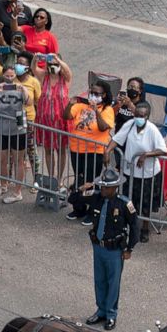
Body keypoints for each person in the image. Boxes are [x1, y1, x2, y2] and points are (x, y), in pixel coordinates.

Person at [81, 168, 139, 330]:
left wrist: (130, 248)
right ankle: (101, 311)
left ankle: (111, 314)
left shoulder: (124, 204)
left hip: (115, 250)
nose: (103, 190)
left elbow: (135, 226)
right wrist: (83, 189)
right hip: (98, 246)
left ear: (115, 188)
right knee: (99, 280)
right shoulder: (96, 198)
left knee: (113, 282)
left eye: (107, 187)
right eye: (102, 186)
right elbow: (74, 199)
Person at [106, 101, 167, 243]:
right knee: (128, 201)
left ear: (147, 117)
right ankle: (129, 225)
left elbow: (162, 149)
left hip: (147, 174)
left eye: (142, 116)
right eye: (137, 115)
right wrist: (108, 150)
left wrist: (146, 155)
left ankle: (145, 229)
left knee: (145, 204)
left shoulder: (152, 129)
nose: (138, 118)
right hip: (130, 172)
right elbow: (117, 139)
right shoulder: (130, 125)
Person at [64, 81, 114, 225]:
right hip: (76, 148)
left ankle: (93, 212)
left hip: (95, 151)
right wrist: (69, 104)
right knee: (79, 179)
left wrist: (96, 111)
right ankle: (78, 208)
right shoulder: (81, 106)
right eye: (91, 92)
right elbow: (66, 116)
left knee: (91, 182)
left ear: (104, 95)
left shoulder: (107, 109)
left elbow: (104, 127)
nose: (93, 95)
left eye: (97, 93)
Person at [0, 63, 30, 203]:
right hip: (1, 128)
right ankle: (3, 185)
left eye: (12, 76)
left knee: (18, 160)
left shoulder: (20, 88)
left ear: (16, 75)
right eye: (7, 76)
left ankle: (18, 191)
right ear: (3, 75)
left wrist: (23, 90)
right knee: (2, 159)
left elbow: (29, 102)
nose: (9, 78)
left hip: (19, 127)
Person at [0, 51, 40, 188]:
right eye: (17, 63)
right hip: (10, 118)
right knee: (10, 153)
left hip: (26, 119)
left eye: (22, 64)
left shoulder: (33, 82)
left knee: (30, 149)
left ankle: (36, 179)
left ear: (28, 67)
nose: (18, 65)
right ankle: (7, 180)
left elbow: (36, 100)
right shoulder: (10, 78)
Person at [33, 52, 71, 186]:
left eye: (55, 64)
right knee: (48, 150)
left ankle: (59, 179)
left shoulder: (65, 79)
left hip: (61, 122)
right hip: (45, 121)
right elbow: (34, 69)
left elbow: (68, 71)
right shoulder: (44, 77)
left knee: (61, 150)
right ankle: (51, 177)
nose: (53, 67)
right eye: (51, 64)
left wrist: (58, 61)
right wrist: (35, 59)